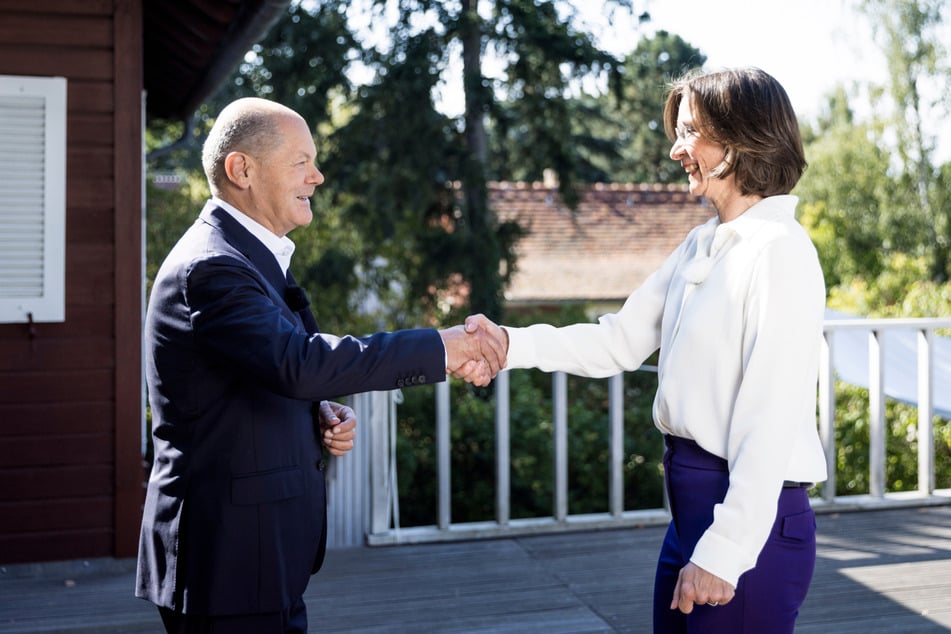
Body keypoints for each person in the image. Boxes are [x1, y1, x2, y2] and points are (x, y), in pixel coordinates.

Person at [135, 97, 506, 634]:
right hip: (228, 560)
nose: (318, 175)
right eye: (301, 162)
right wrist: (443, 347)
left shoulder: (245, 256)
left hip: (262, 557)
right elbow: (300, 362)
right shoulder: (212, 267)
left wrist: (314, 410)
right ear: (242, 170)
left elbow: (264, 372)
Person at [476, 67, 827, 633]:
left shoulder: (780, 251)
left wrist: (725, 549)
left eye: (690, 131)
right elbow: (617, 341)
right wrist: (508, 342)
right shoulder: (701, 244)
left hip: (745, 528)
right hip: (689, 514)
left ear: (740, 139)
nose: (675, 149)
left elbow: (771, 420)